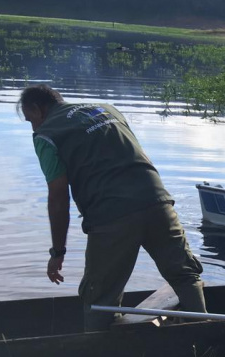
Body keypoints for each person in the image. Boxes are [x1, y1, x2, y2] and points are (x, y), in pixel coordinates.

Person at [18, 85, 207, 331]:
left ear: (37, 108)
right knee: (184, 275)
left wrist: (58, 252)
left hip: (111, 215)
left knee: (98, 298)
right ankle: (206, 342)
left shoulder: (46, 135)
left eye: (30, 119)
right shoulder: (107, 110)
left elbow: (58, 197)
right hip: (158, 201)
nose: (33, 127)